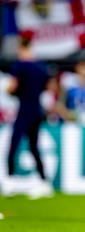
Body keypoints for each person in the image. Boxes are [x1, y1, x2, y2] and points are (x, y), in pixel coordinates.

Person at [2, 31, 54, 199]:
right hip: (37, 110)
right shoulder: (41, 68)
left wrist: (10, 90)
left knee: (13, 145)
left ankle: (9, 180)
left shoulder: (20, 66)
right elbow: (48, 87)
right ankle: (45, 182)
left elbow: (12, 88)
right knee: (34, 147)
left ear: (21, 46)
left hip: (24, 110)